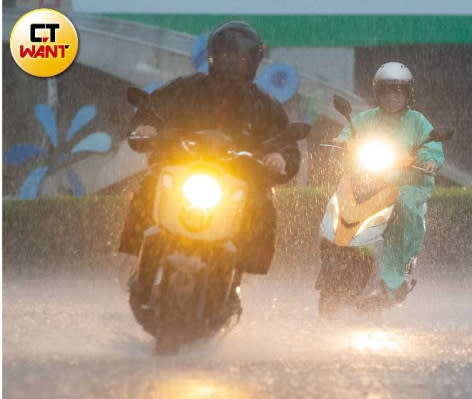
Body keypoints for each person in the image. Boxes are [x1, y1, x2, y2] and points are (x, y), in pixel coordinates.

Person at [118, 21, 301, 303]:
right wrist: (146, 128)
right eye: (226, 55)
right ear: (213, 55)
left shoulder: (265, 105)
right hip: (183, 174)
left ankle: (239, 271)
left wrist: (279, 158)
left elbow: (285, 142)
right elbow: (152, 110)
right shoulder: (186, 89)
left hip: (239, 184)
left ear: (253, 60)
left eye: (240, 57)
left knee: (264, 206)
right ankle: (138, 259)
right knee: (150, 185)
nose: (232, 63)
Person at [333, 62, 444, 300]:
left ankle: (396, 273)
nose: (394, 95)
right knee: (340, 202)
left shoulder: (417, 121)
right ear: (377, 92)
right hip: (370, 183)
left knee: (403, 205)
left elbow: (432, 144)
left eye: (399, 90)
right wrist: (341, 141)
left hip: (408, 185)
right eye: (388, 90)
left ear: (408, 93)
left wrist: (430, 160)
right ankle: (335, 261)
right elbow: (349, 134)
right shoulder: (366, 119)